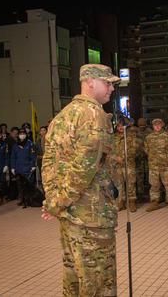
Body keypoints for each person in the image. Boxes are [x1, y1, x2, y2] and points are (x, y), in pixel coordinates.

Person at [41, 64, 119, 296]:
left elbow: (49, 164)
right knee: (98, 283)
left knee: (73, 277)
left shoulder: (62, 116)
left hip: (69, 214)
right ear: (90, 82)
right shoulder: (95, 115)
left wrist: (54, 201)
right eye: (108, 83)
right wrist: (57, 203)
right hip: (91, 217)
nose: (112, 88)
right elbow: (83, 169)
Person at [144, 118, 168, 212]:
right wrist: (152, 156)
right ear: (153, 126)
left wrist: (166, 156)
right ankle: (155, 202)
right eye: (155, 124)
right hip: (153, 165)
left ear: (162, 124)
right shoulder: (149, 137)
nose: (157, 126)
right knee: (154, 185)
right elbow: (146, 149)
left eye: (159, 124)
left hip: (166, 165)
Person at [109, 118, 139, 212]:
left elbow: (135, 150)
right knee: (119, 184)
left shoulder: (131, 137)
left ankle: (132, 201)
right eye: (118, 126)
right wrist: (115, 158)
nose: (120, 127)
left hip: (128, 164)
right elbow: (109, 151)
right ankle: (121, 201)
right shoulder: (112, 138)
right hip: (116, 165)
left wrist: (125, 157)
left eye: (122, 125)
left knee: (130, 183)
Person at [11, 128, 37, 206]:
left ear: (26, 135)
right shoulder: (15, 145)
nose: (22, 135)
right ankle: (22, 199)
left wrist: (33, 165)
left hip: (28, 168)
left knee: (29, 185)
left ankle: (30, 200)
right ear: (18, 135)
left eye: (23, 134)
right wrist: (12, 167)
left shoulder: (30, 144)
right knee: (20, 186)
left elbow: (33, 155)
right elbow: (13, 157)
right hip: (19, 168)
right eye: (20, 134)